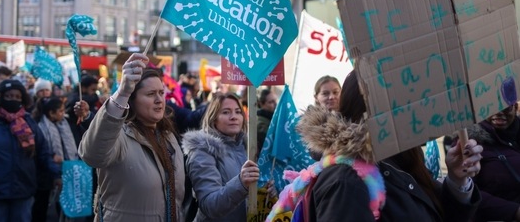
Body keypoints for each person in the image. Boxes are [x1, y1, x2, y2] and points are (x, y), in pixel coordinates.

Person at [295, 70, 483, 222]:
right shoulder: (346, 180)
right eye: (407, 103)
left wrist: (457, 180)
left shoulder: (402, 158)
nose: (418, 113)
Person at [79, 53, 188, 221]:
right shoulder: (120, 136)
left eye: (161, 92)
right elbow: (93, 155)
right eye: (151, 94)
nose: (159, 100)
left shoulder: (167, 136)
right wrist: (122, 92)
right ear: (133, 99)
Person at [0, 79, 60, 222]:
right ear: (0, 97)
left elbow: (43, 152)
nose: (14, 100)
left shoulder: (28, 121)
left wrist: (56, 174)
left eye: (18, 97)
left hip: (22, 191)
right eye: (9, 96)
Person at [182, 92, 261, 222]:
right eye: (226, 112)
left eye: (238, 112)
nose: (234, 117)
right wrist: (241, 182)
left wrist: (265, 190)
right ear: (213, 118)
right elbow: (210, 205)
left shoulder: (247, 148)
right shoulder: (202, 151)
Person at [467, 103, 520, 222]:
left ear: (515, 108)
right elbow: (467, 192)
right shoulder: (470, 144)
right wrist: (515, 211)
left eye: (505, 107)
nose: (499, 112)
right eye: (490, 106)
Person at [31, 96, 77, 222]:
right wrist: (52, 157)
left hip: (64, 168)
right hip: (45, 173)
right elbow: (40, 150)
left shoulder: (64, 123)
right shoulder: (40, 127)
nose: (64, 113)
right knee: (42, 204)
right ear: (51, 113)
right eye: (61, 111)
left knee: (63, 202)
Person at [65, 75, 100, 147]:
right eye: (93, 90)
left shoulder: (93, 100)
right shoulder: (74, 99)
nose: (94, 93)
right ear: (83, 88)